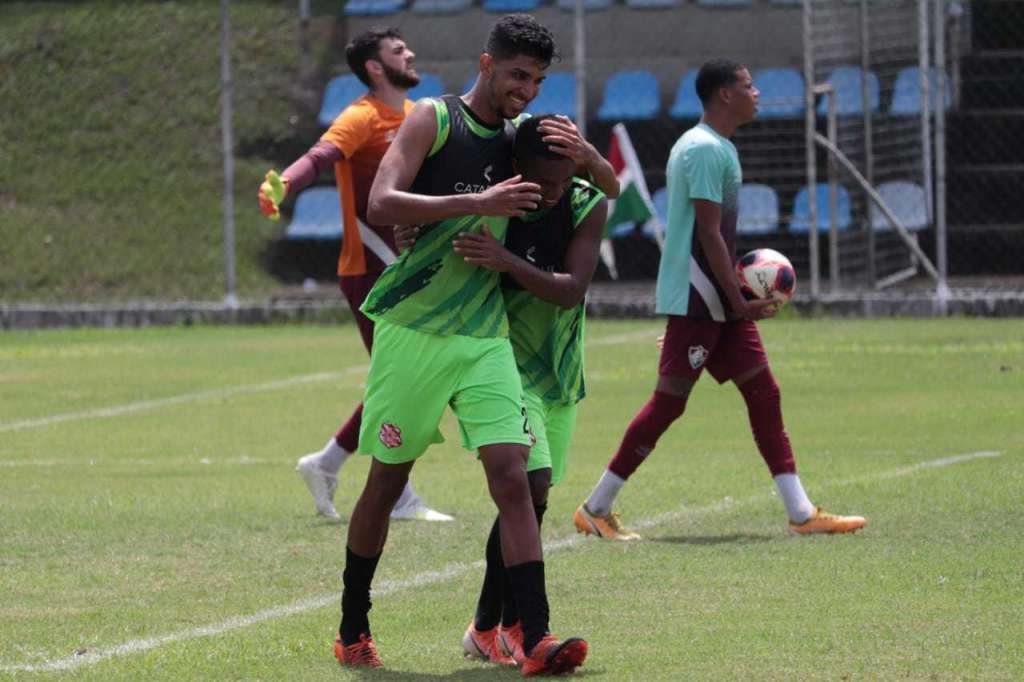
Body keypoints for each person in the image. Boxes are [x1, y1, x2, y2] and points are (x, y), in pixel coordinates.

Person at [334, 15, 588, 676]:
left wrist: (589, 161)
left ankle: (532, 637)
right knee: (386, 484)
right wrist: (473, 201)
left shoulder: (517, 143)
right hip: (413, 333)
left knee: (515, 478)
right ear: (486, 64)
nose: (526, 91)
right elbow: (383, 202)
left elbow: (596, 192)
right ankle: (352, 627)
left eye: (536, 80)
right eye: (517, 76)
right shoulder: (431, 120)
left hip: (483, 336)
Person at [573, 60, 867, 541]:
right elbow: (709, 234)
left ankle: (801, 513)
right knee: (669, 403)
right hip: (702, 297)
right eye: (749, 86)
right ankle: (595, 507)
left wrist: (733, 301)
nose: (757, 93)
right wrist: (739, 299)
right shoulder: (705, 150)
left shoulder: (716, 146)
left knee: (764, 393)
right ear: (725, 94)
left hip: (716, 300)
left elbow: (712, 236)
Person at [257, 27, 450, 522]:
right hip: (370, 271)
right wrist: (284, 186)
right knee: (403, 381)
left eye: (407, 46)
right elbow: (321, 157)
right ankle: (398, 496)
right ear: (375, 67)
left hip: (408, 267)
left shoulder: (416, 115)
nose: (410, 52)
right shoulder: (360, 116)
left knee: (407, 380)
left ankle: (327, 463)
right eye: (397, 51)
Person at [450, 114, 612, 667]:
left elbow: (570, 292)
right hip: (502, 365)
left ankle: (484, 627)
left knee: (534, 498)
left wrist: (505, 262)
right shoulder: (496, 208)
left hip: (560, 369)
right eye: (545, 184)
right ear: (518, 171)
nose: (555, 193)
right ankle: (527, 631)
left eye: (565, 181)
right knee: (527, 482)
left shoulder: (587, 204)